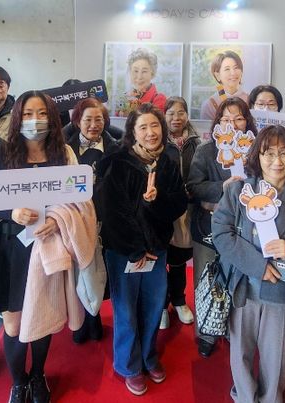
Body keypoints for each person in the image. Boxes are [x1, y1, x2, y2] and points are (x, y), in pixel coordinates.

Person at [0, 90, 92, 403]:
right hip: (10, 252)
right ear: (17, 118)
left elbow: (79, 200)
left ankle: (38, 375)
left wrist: (59, 219)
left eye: (41, 114)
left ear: (52, 119)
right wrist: (10, 212)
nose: (34, 121)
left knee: (43, 316)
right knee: (13, 323)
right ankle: (18, 381)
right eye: (27, 114)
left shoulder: (64, 153)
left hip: (48, 248)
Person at [212, 125, 285, 403]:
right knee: (240, 351)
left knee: (276, 357)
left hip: (284, 294)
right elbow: (221, 233)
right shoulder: (239, 191)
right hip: (244, 286)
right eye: (269, 153)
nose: (277, 161)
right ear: (257, 156)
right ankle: (244, 396)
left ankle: (270, 399)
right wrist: (258, 266)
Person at [100, 102, 187, 396]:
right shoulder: (118, 161)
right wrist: (136, 249)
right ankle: (129, 365)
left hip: (158, 249)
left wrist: (156, 200)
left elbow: (178, 204)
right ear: (133, 132)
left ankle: (149, 356)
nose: (151, 132)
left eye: (155, 126)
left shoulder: (168, 162)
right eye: (143, 127)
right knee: (125, 310)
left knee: (152, 307)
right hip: (125, 251)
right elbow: (112, 212)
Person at [186, 97, 258, 358]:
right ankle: (206, 333)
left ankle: (231, 330)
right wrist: (221, 188)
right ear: (217, 123)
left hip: (244, 230)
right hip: (208, 227)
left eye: (238, 119)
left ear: (247, 122)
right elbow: (193, 187)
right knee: (206, 279)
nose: (233, 124)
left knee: (237, 279)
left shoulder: (256, 151)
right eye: (226, 119)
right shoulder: (206, 150)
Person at [66, 97, 120, 343]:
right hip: (74, 220)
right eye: (88, 119)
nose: (93, 125)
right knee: (77, 269)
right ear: (77, 121)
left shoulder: (115, 148)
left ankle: (94, 314)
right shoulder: (64, 148)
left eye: (99, 119)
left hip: (104, 219)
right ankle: (80, 319)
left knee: (98, 269)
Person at [159, 96, 202, 329]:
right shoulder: (157, 140)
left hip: (188, 209)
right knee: (160, 259)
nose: (176, 118)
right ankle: (161, 306)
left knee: (178, 259)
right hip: (162, 209)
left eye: (181, 113)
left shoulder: (197, 143)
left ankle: (179, 300)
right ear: (164, 115)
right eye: (171, 113)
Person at [200, 50, 249, 120]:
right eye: (227, 69)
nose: (233, 73)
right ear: (217, 75)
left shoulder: (250, 100)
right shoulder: (209, 105)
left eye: (236, 68)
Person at [117, 48, 166, 116]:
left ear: (152, 74)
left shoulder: (159, 99)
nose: (139, 77)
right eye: (136, 71)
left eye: (144, 71)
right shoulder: (125, 98)